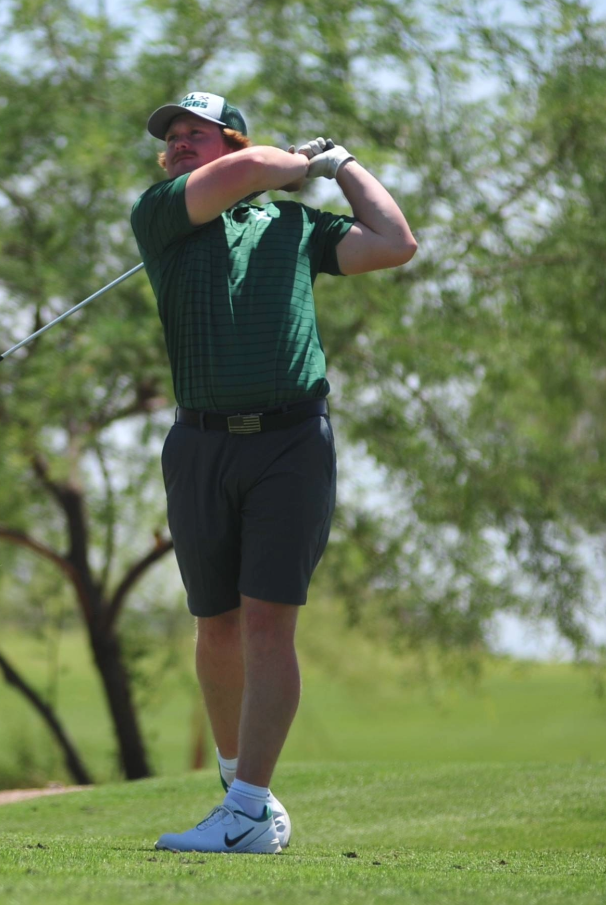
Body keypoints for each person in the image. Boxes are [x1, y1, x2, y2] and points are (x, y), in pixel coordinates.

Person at [131, 91, 417, 853]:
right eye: (173, 139)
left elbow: (393, 242)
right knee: (214, 625)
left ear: (228, 140)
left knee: (265, 621)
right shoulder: (161, 213)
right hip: (200, 442)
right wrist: (301, 162)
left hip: (292, 442)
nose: (180, 146)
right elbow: (258, 167)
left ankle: (250, 808)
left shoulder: (292, 226)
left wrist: (344, 166)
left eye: (197, 135)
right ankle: (239, 788)